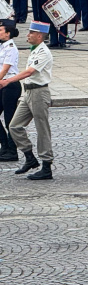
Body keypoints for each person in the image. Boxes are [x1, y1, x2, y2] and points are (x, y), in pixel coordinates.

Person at [4, 22, 54, 180]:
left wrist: (8, 81)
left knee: (42, 129)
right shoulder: (34, 50)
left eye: (31, 33)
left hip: (39, 92)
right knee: (14, 126)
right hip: (28, 93)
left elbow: (30, 72)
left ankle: (46, 166)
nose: (27, 35)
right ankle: (30, 157)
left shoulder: (43, 52)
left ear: (39, 36)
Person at [0, 20, 20, 162]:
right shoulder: (2, 46)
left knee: (9, 120)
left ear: (8, 34)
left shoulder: (11, 48)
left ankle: (12, 151)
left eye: (1, 30)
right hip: (2, 84)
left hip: (10, 85)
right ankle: (4, 146)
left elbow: (5, 68)